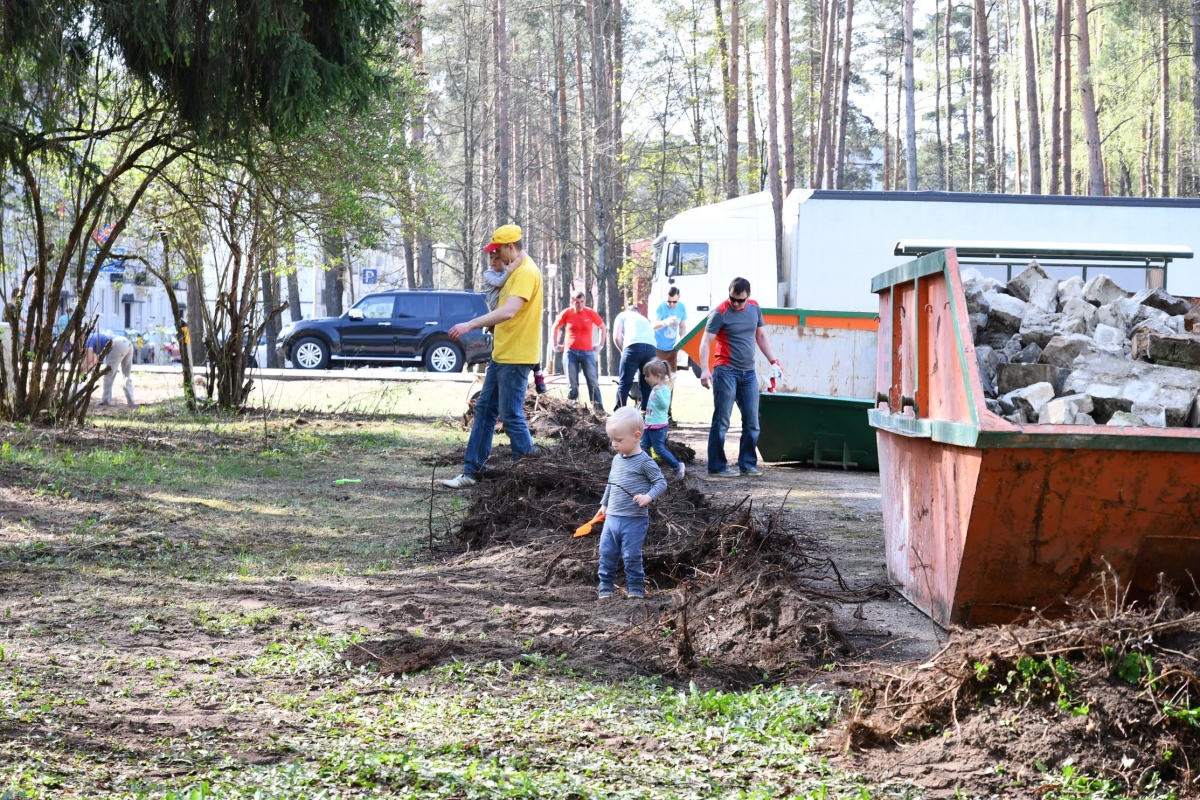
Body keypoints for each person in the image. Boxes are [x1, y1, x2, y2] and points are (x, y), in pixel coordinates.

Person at [443, 225, 544, 489]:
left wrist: (470, 324)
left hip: (516, 355)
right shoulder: (514, 270)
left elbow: (509, 311)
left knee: (510, 416)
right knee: (485, 410)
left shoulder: (525, 272)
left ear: (512, 247)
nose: (495, 256)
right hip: (503, 353)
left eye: (498, 250)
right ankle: (471, 472)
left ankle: (530, 476)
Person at [698, 277, 783, 477]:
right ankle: (717, 466)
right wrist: (704, 369)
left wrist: (773, 361)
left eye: (740, 300)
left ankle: (747, 464)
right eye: (732, 299)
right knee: (722, 421)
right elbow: (705, 342)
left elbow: (761, 336)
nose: (736, 303)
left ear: (748, 297)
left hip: (749, 373)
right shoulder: (720, 312)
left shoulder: (754, 308)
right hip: (725, 371)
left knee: (752, 421)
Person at [596, 407, 667, 600]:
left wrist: (648, 497)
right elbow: (612, 483)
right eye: (612, 440)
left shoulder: (645, 462)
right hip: (612, 518)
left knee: (631, 555)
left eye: (618, 440)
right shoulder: (617, 460)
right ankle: (605, 586)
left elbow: (661, 482)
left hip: (634, 520)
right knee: (607, 552)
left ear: (636, 436)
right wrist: (604, 504)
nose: (614, 445)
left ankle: (635, 587)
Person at [483, 244, 548, 394]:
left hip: (508, 314)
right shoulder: (489, 274)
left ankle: (538, 373)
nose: (493, 261)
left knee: (529, 341)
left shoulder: (522, 272)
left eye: (497, 258)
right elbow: (500, 283)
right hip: (496, 309)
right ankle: (493, 364)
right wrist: (511, 271)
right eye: (491, 258)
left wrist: (512, 271)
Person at [553, 291, 606, 413]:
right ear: (572, 302)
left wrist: (601, 345)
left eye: (582, 302)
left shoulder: (590, 312)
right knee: (572, 383)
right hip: (570, 352)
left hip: (587, 353)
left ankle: (599, 410)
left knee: (593, 381)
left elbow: (603, 327)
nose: (580, 305)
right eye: (577, 302)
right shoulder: (566, 313)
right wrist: (555, 344)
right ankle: (573, 409)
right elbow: (555, 326)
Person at [641, 359, 683, 480]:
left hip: (658, 427)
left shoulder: (663, 390)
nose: (645, 378)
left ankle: (677, 466)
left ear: (658, 376)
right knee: (644, 447)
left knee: (659, 449)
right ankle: (651, 469)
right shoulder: (655, 388)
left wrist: (658, 393)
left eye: (647, 376)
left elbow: (665, 406)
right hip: (649, 425)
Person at [612, 301, 657, 411]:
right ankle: (646, 413)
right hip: (651, 348)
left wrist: (624, 351)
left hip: (633, 346)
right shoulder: (645, 319)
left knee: (625, 382)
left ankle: (619, 412)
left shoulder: (622, 315)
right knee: (647, 382)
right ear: (639, 312)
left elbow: (617, 337)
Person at [652, 287, 687, 423]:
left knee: (670, 382)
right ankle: (655, 414)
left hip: (672, 350)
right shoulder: (661, 307)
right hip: (659, 348)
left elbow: (683, 326)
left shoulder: (681, 308)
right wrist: (665, 322)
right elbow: (654, 324)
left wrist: (683, 338)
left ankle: (668, 413)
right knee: (658, 381)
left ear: (678, 298)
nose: (672, 305)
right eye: (669, 302)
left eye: (674, 302)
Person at [84, 330, 135, 406]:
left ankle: (106, 401)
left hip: (118, 344)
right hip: (128, 343)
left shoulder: (88, 340)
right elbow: (93, 361)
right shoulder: (94, 336)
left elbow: (90, 362)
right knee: (126, 374)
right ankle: (131, 401)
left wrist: (80, 373)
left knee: (108, 374)